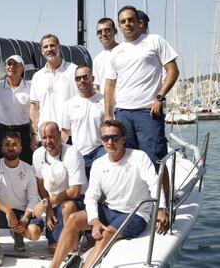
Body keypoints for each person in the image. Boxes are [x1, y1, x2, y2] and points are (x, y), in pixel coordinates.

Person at [50, 120, 169, 268]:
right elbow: (91, 196)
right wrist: (94, 221)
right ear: (101, 141)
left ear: (123, 139)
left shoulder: (139, 157)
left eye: (115, 137)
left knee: (105, 235)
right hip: (108, 210)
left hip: (135, 214)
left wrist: (161, 208)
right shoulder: (98, 164)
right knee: (73, 218)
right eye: (105, 138)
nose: (110, 141)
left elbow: (154, 182)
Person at [103, 6, 179, 199]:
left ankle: (166, 202)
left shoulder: (154, 41)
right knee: (128, 161)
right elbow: (110, 84)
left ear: (139, 22)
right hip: (123, 114)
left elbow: (172, 71)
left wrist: (160, 97)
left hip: (148, 111)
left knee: (155, 159)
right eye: (123, 21)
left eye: (130, 20)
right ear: (119, 26)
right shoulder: (116, 52)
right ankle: (141, 201)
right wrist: (107, 114)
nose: (127, 24)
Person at [0, 131, 44, 266]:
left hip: (22, 213)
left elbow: (34, 197)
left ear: (21, 148)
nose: (11, 147)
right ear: (2, 148)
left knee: (34, 234)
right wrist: (7, 210)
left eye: (15, 144)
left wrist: (24, 219)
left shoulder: (28, 169)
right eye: (7, 144)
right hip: (3, 212)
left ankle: (17, 233)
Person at [32, 121, 88, 253]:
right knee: (53, 248)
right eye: (44, 138)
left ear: (59, 135)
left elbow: (75, 191)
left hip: (76, 200)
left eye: (51, 136)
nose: (48, 141)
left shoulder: (73, 154)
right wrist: (49, 209)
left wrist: (46, 203)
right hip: (53, 202)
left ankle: (73, 246)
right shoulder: (38, 154)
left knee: (67, 206)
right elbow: (40, 184)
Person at [30, 34, 78, 149]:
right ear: (42, 51)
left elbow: (80, 101)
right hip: (45, 136)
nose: (49, 49)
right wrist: (33, 134)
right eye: (45, 47)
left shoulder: (73, 70)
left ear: (59, 47)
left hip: (70, 134)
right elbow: (34, 107)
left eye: (52, 46)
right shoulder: (37, 76)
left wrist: (67, 129)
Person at [62, 65, 105, 178]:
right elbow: (65, 132)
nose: (82, 81)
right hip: (79, 155)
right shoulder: (69, 104)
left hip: (100, 151)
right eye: (78, 78)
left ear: (92, 78)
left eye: (85, 77)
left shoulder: (104, 101)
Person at [0, 55, 33, 165]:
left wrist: (34, 135)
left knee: (26, 163)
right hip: (2, 130)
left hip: (24, 131)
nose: (12, 67)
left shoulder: (31, 87)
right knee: (0, 163)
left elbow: (35, 112)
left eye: (16, 64)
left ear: (23, 68)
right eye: (9, 64)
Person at [92, 18, 119, 94]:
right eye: (99, 32)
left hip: (124, 104)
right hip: (104, 104)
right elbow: (97, 87)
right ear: (97, 35)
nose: (103, 34)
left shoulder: (125, 52)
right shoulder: (97, 60)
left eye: (107, 30)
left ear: (115, 31)